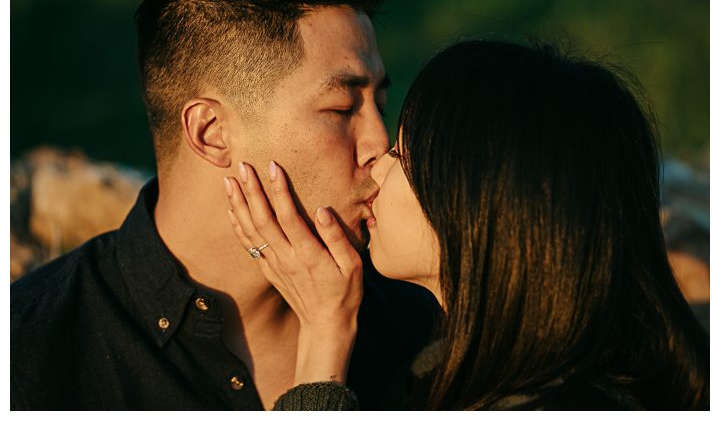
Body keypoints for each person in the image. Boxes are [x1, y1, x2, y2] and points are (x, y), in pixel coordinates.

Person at [10, 0, 438, 409]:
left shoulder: (424, 327)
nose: (379, 146)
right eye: (342, 108)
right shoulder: (29, 358)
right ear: (212, 133)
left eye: (380, 107)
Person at [225, 39, 710, 410]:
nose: (378, 164)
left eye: (404, 156)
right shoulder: (442, 372)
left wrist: (323, 342)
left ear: (478, 199)